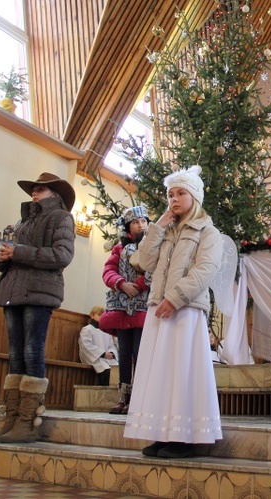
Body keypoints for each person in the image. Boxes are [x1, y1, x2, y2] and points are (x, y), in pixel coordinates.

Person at [124, 164, 223, 459]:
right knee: (162, 372)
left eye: (181, 193)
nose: (174, 199)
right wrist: (157, 226)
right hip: (159, 307)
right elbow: (142, 261)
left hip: (185, 309)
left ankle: (186, 437)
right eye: (170, 194)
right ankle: (161, 431)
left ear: (195, 196)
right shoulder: (165, 230)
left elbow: (205, 270)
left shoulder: (208, 231)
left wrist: (176, 298)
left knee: (183, 371)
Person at [0, 172, 75, 443]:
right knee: (15, 354)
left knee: (32, 351)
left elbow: (63, 255)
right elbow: (12, 252)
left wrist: (19, 252)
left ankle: (27, 422)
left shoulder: (61, 218)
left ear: (55, 194)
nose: (34, 194)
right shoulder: (23, 220)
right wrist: (1, 256)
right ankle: (11, 417)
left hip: (39, 291)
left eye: (41, 190)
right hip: (14, 289)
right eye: (34, 190)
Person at [99, 206, 151, 414]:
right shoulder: (118, 248)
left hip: (142, 306)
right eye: (135, 222)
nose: (140, 225)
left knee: (140, 351)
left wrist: (138, 284)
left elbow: (156, 270)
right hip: (121, 306)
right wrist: (121, 283)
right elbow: (108, 270)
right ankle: (123, 395)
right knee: (124, 351)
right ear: (128, 226)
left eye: (143, 221)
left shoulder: (152, 246)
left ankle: (138, 397)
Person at [79, 306, 119, 386]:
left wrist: (111, 353)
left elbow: (111, 345)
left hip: (107, 358)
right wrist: (103, 354)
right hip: (95, 357)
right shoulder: (87, 329)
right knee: (107, 371)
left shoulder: (106, 331)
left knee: (118, 370)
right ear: (92, 315)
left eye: (103, 315)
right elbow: (86, 346)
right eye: (99, 314)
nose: (101, 317)